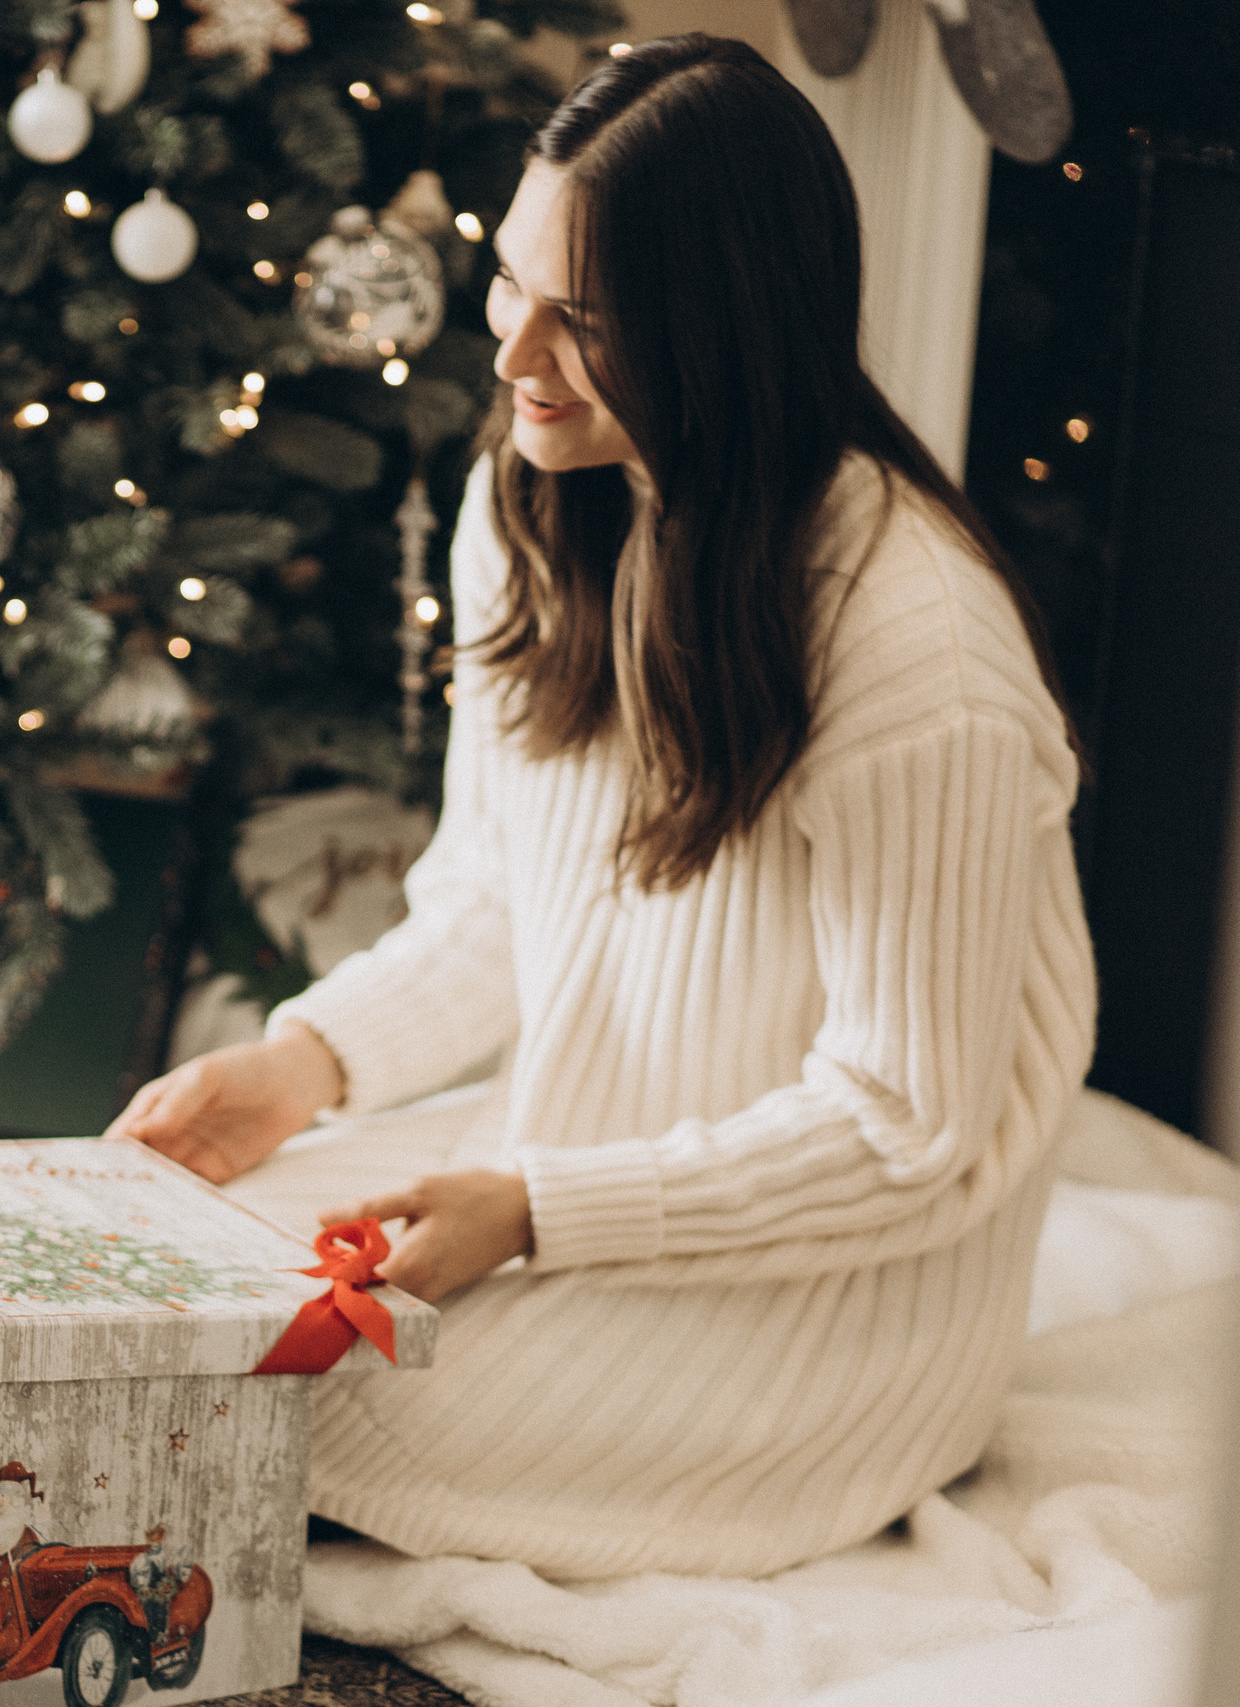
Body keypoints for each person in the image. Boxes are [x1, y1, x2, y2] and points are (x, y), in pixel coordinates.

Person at [108, 34, 1095, 1581]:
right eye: (512, 281)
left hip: (826, 1292)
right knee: (126, 1300)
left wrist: (539, 1212)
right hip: (577, 1165)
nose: (515, 355)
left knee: (230, 1410)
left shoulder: (924, 656)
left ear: (730, 328)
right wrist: (302, 1065)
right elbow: (496, 906)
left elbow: (901, 1130)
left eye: (590, 318)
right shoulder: (535, 512)